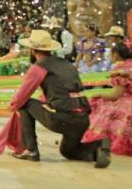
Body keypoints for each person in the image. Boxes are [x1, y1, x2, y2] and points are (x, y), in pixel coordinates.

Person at [7, 30, 111, 168]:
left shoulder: (38, 67)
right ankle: (97, 148)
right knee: (68, 151)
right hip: (83, 118)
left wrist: (12, 106)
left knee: (24, 104)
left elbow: (20, 97)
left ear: (32, 50)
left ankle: (31, 150)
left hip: (63, 117)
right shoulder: (67, 64)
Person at [82, 40, 132, 155]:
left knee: (101, 106)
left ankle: (103, 141)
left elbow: (116, 94)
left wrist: (100, 95)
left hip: (127, 102)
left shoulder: (120, 68)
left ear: (115, 55)